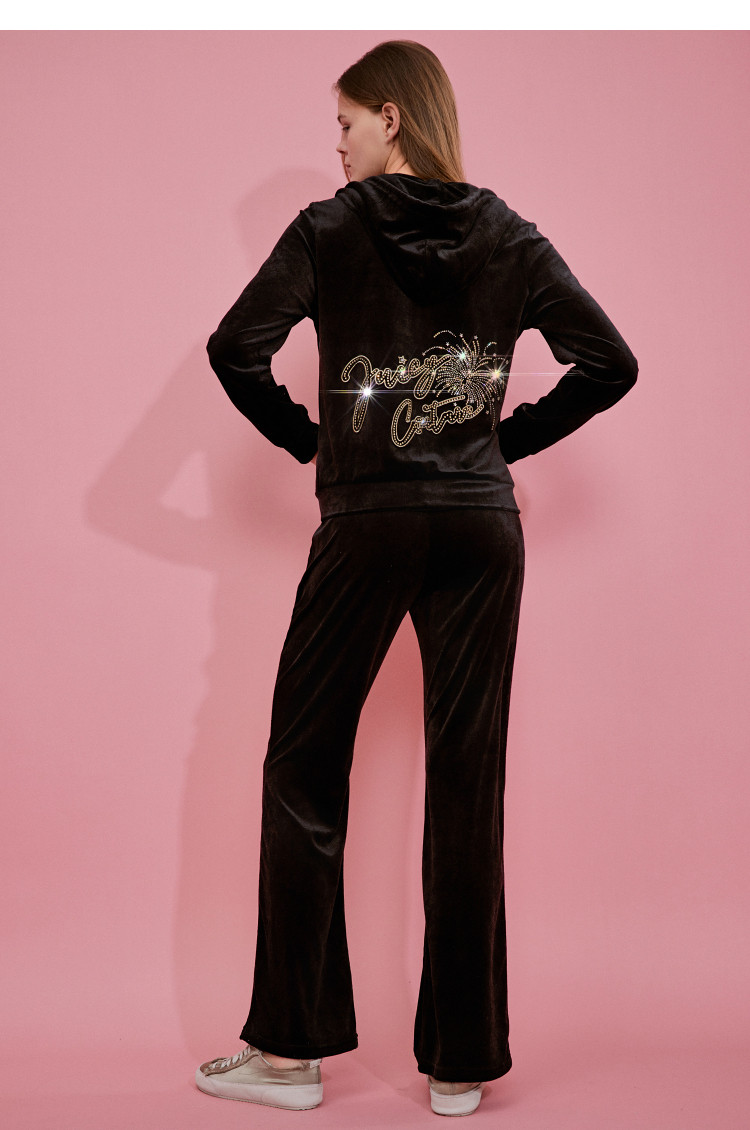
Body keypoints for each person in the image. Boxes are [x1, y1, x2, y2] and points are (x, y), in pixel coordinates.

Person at [194, 39, 638, 1117]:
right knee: (467, 777)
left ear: (391, 116)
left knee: (304, 767)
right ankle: (460, 1064)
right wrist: (499, 445)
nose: (338, 146)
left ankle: (290, 1055)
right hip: (482, 525)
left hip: (369, 519)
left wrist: (315, 444)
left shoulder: (329, 228)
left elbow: (234, 348)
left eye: (345, 123)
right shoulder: (506, 230)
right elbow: (611, 362)